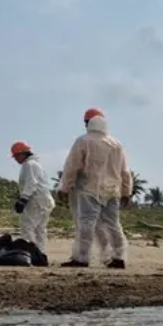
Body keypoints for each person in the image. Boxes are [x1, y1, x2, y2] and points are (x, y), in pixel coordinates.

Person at [57, 115, 132, 268]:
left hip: (89, 188)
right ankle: (119, 257)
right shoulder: (116, 144)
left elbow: (72, 166)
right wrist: (126, 192)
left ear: (88, 124)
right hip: (113, 191)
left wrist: (64, 188)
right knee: (113, 224)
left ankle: (81, 258)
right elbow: (125, 171)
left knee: (86, 224)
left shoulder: (83, 140)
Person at [10, 142, 55, 258]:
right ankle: (40, 255)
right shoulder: (35, 164)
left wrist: (23, 199)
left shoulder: (29, 164)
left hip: (36, 201)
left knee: (27, 226)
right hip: (45, 201)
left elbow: (31, 183)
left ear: (22, 154)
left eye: (16, 156)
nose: (15, 159)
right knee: (40, 230)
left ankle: (29, 254)